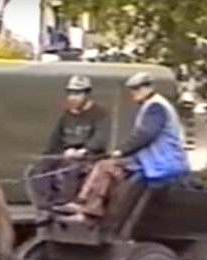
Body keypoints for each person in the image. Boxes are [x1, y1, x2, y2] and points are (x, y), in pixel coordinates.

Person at [55, 72, 190, 222]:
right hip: (153, 160)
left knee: (105, 167)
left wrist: (122, 151)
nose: (133, 93)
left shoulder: (155, 107)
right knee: (108, 167)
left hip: (161, 163)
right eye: (132, 89)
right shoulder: (153, 105)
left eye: (137, 89)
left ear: (149, 88)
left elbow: (146, 134)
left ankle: (88, 209)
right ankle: (87, 205)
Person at [29, 75, 110, 209]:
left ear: (87, 94)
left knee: (71, 170)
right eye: (70, 93)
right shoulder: (67, 115)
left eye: (77, 93)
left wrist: (83, 151)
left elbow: (100, 138)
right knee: (37, 170)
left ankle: (69, 205)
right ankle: (46, 205)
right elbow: (56, 138)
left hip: (88, 157)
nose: (72, 97)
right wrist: (47, 155)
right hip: (65, 154)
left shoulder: (99, 113)